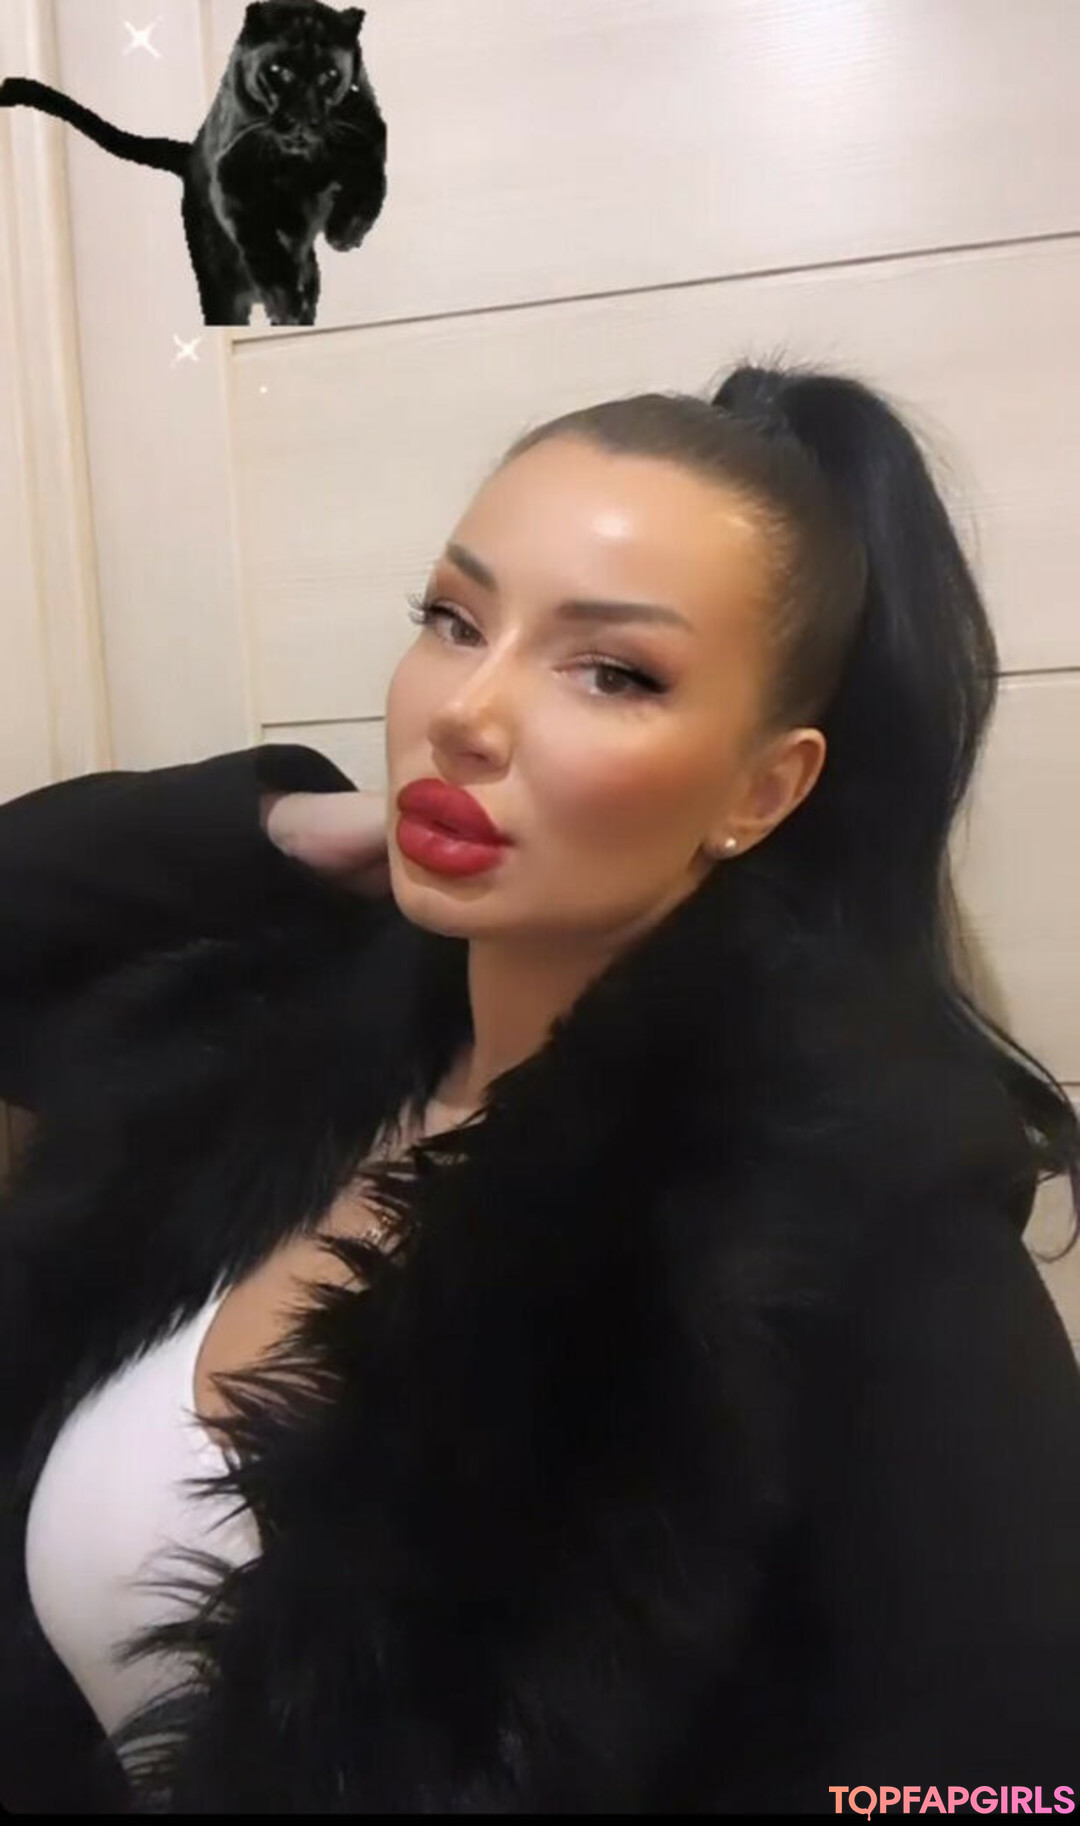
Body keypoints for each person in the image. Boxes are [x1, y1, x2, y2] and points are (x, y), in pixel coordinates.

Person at [2, 360, 1080, 1816]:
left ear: (762, 789)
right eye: (453, 619)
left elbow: (1016, 1783)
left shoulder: (840, 1222)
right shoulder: (278, 1052)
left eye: (612, 672)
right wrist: (293, 825)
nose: (468, 712)